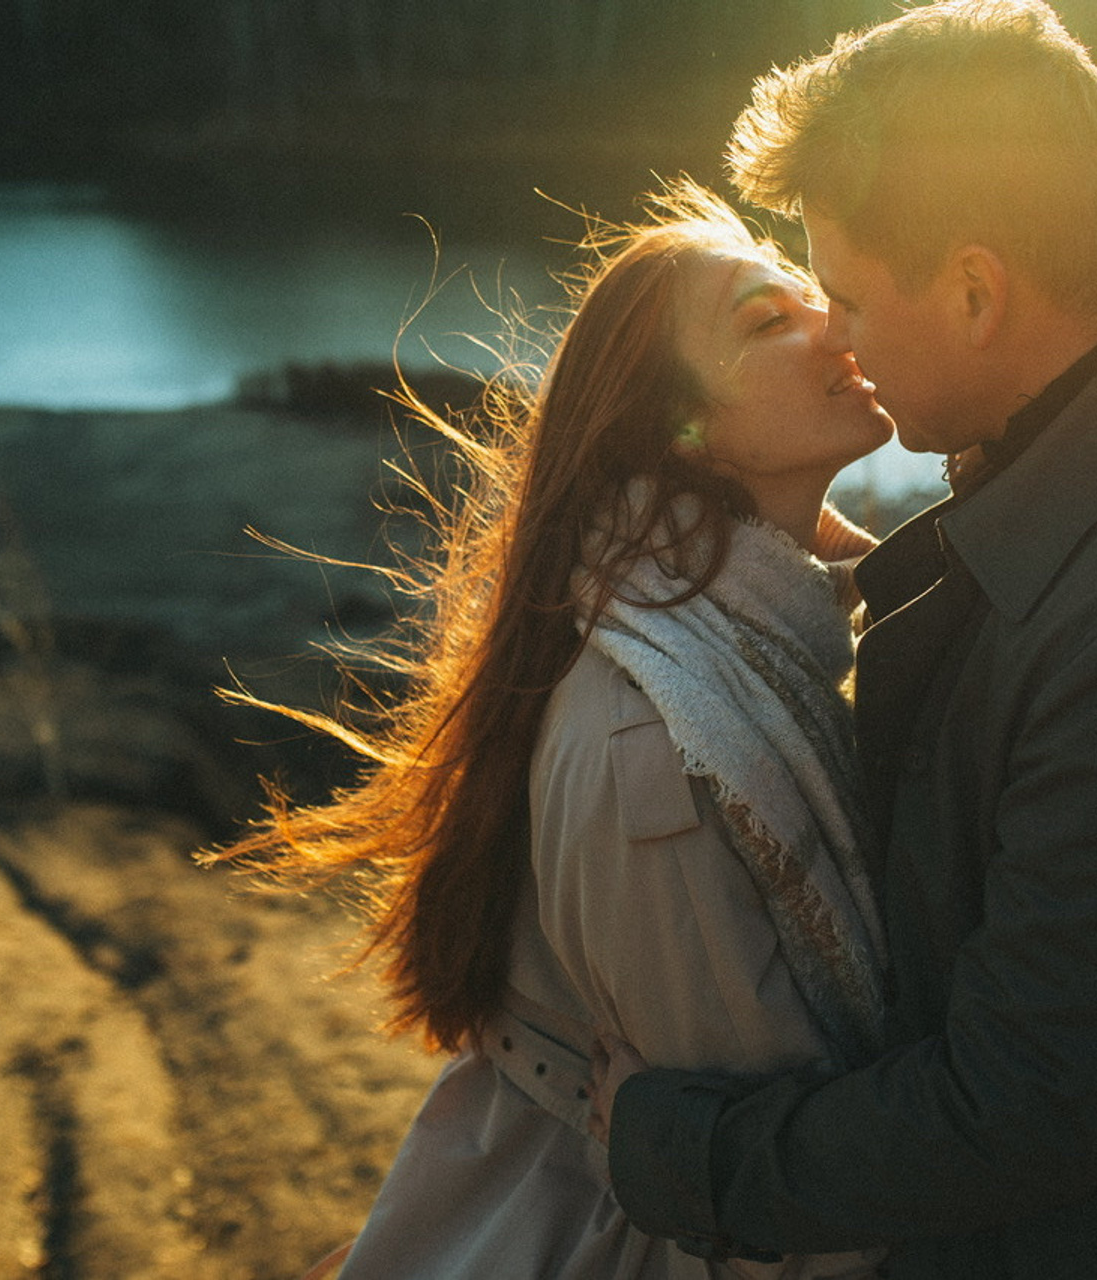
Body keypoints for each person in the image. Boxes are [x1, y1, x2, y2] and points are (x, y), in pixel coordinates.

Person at [593, 2, 1097, 1276]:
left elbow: (1020, 1106)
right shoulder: (1060, 480)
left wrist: (679, 1154)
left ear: (971, 290)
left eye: (843, 295)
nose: (833, 336)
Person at [219, 181, 896, 1278]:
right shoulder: (660, 745)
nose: (835, 317)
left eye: (811, 292)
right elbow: (754, 1187)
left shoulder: (780, 644)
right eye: (768, 318)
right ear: (682, 435)